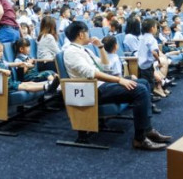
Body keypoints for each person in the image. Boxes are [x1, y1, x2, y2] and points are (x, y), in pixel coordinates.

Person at [62, 21, 171, 151]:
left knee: (144, 82)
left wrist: (101, 47)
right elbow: (92, 73)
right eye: (87, 32)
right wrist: (119, 80)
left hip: (100, 85)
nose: (89, 34)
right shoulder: (71, 52)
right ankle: (140, 138)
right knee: (140, 90)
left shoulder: (83, 50)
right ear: (81, 34)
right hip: (90, 90)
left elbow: (105, 66)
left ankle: (147, 129)